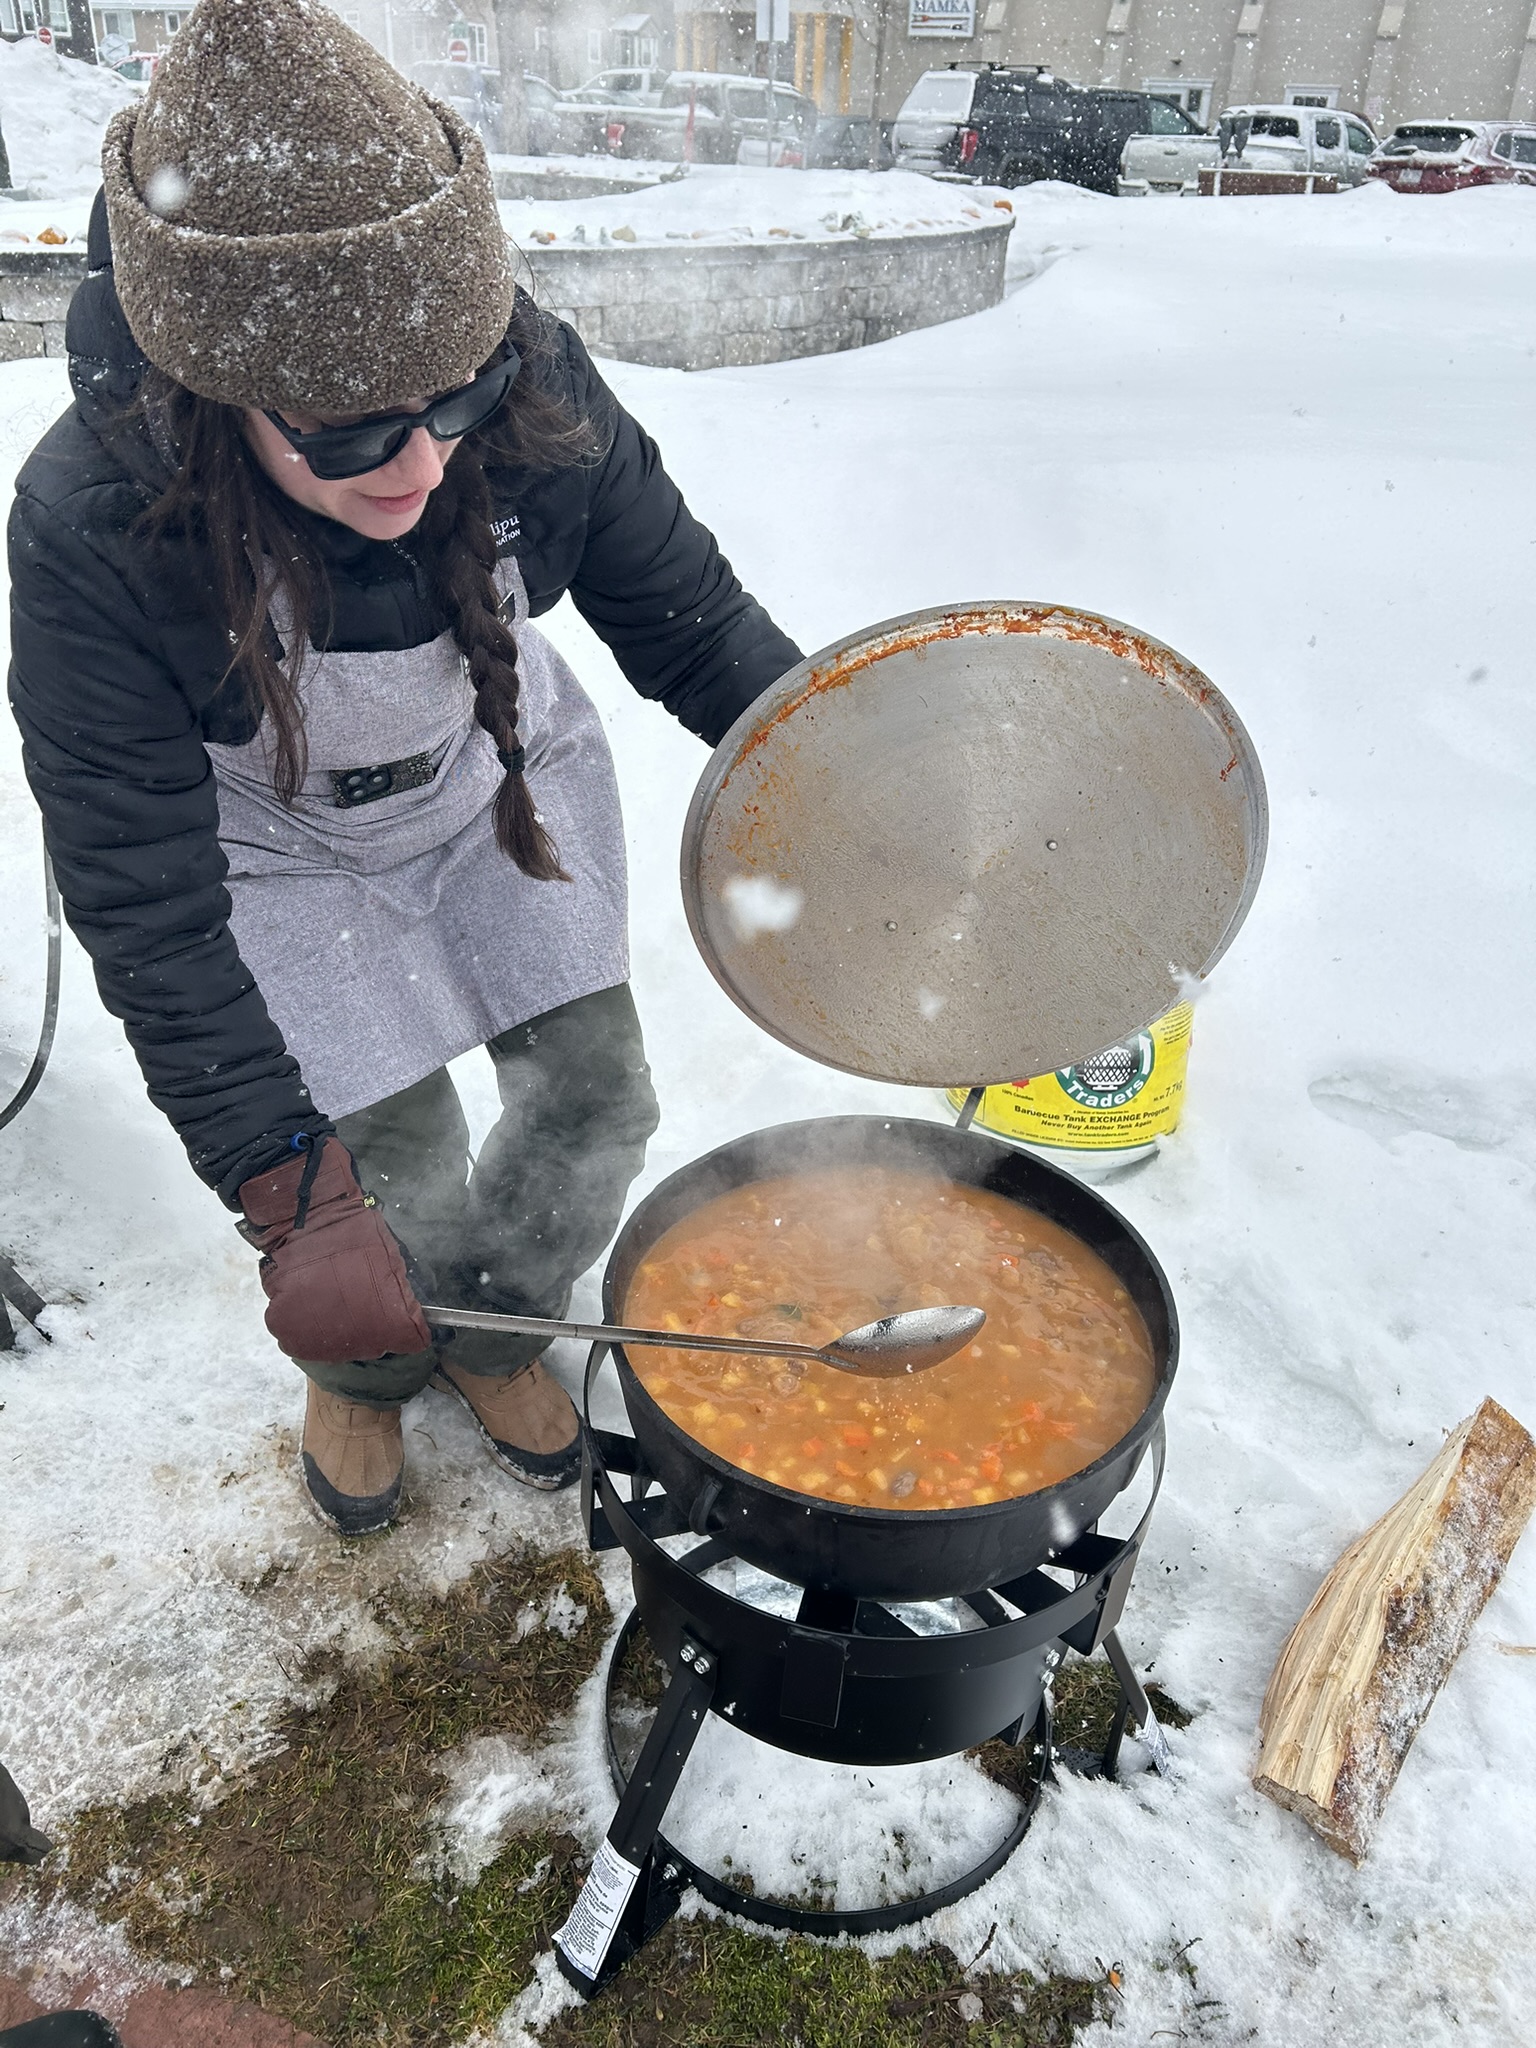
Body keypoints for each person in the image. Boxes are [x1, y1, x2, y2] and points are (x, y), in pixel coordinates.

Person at [6, 0, 800, 1536]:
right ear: (223, 387)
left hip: (485, 776)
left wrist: (836, 774)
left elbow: (690, 622)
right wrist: (286, 1195)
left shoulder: (521, 374)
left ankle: (496, 1333)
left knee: (595, 1099)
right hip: (276, 848)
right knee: (391, 1166)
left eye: (447, 405)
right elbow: (141, 893)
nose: (424, 466)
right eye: (357, 437)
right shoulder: (95, 520)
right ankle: (366, 1373)